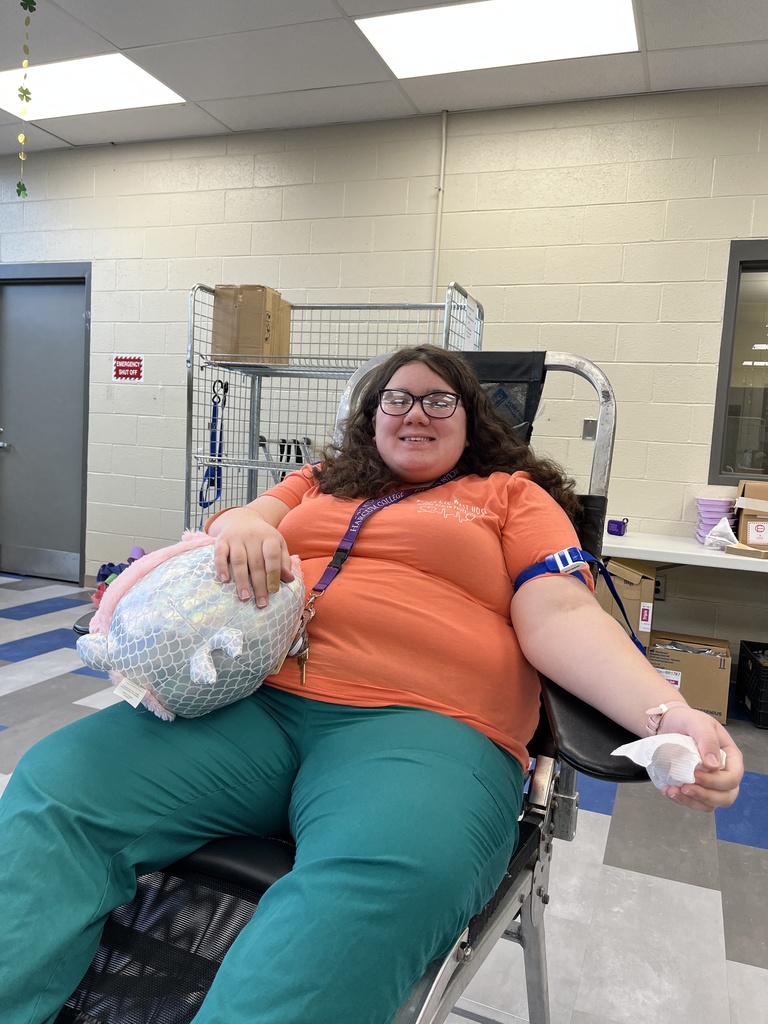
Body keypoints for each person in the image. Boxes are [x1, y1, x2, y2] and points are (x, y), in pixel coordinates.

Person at [0, 345, 743, 1024]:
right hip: (251, 707)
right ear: (371, 416)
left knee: (379, 879)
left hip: (425, 730)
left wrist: (667, 713)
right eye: (396, 398)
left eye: (438, 399)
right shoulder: (320, 483)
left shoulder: (509, 496)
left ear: (472, 419)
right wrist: (250, 526)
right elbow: (244, 522)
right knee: (60, 787)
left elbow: (558, 612)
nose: (414, 411)